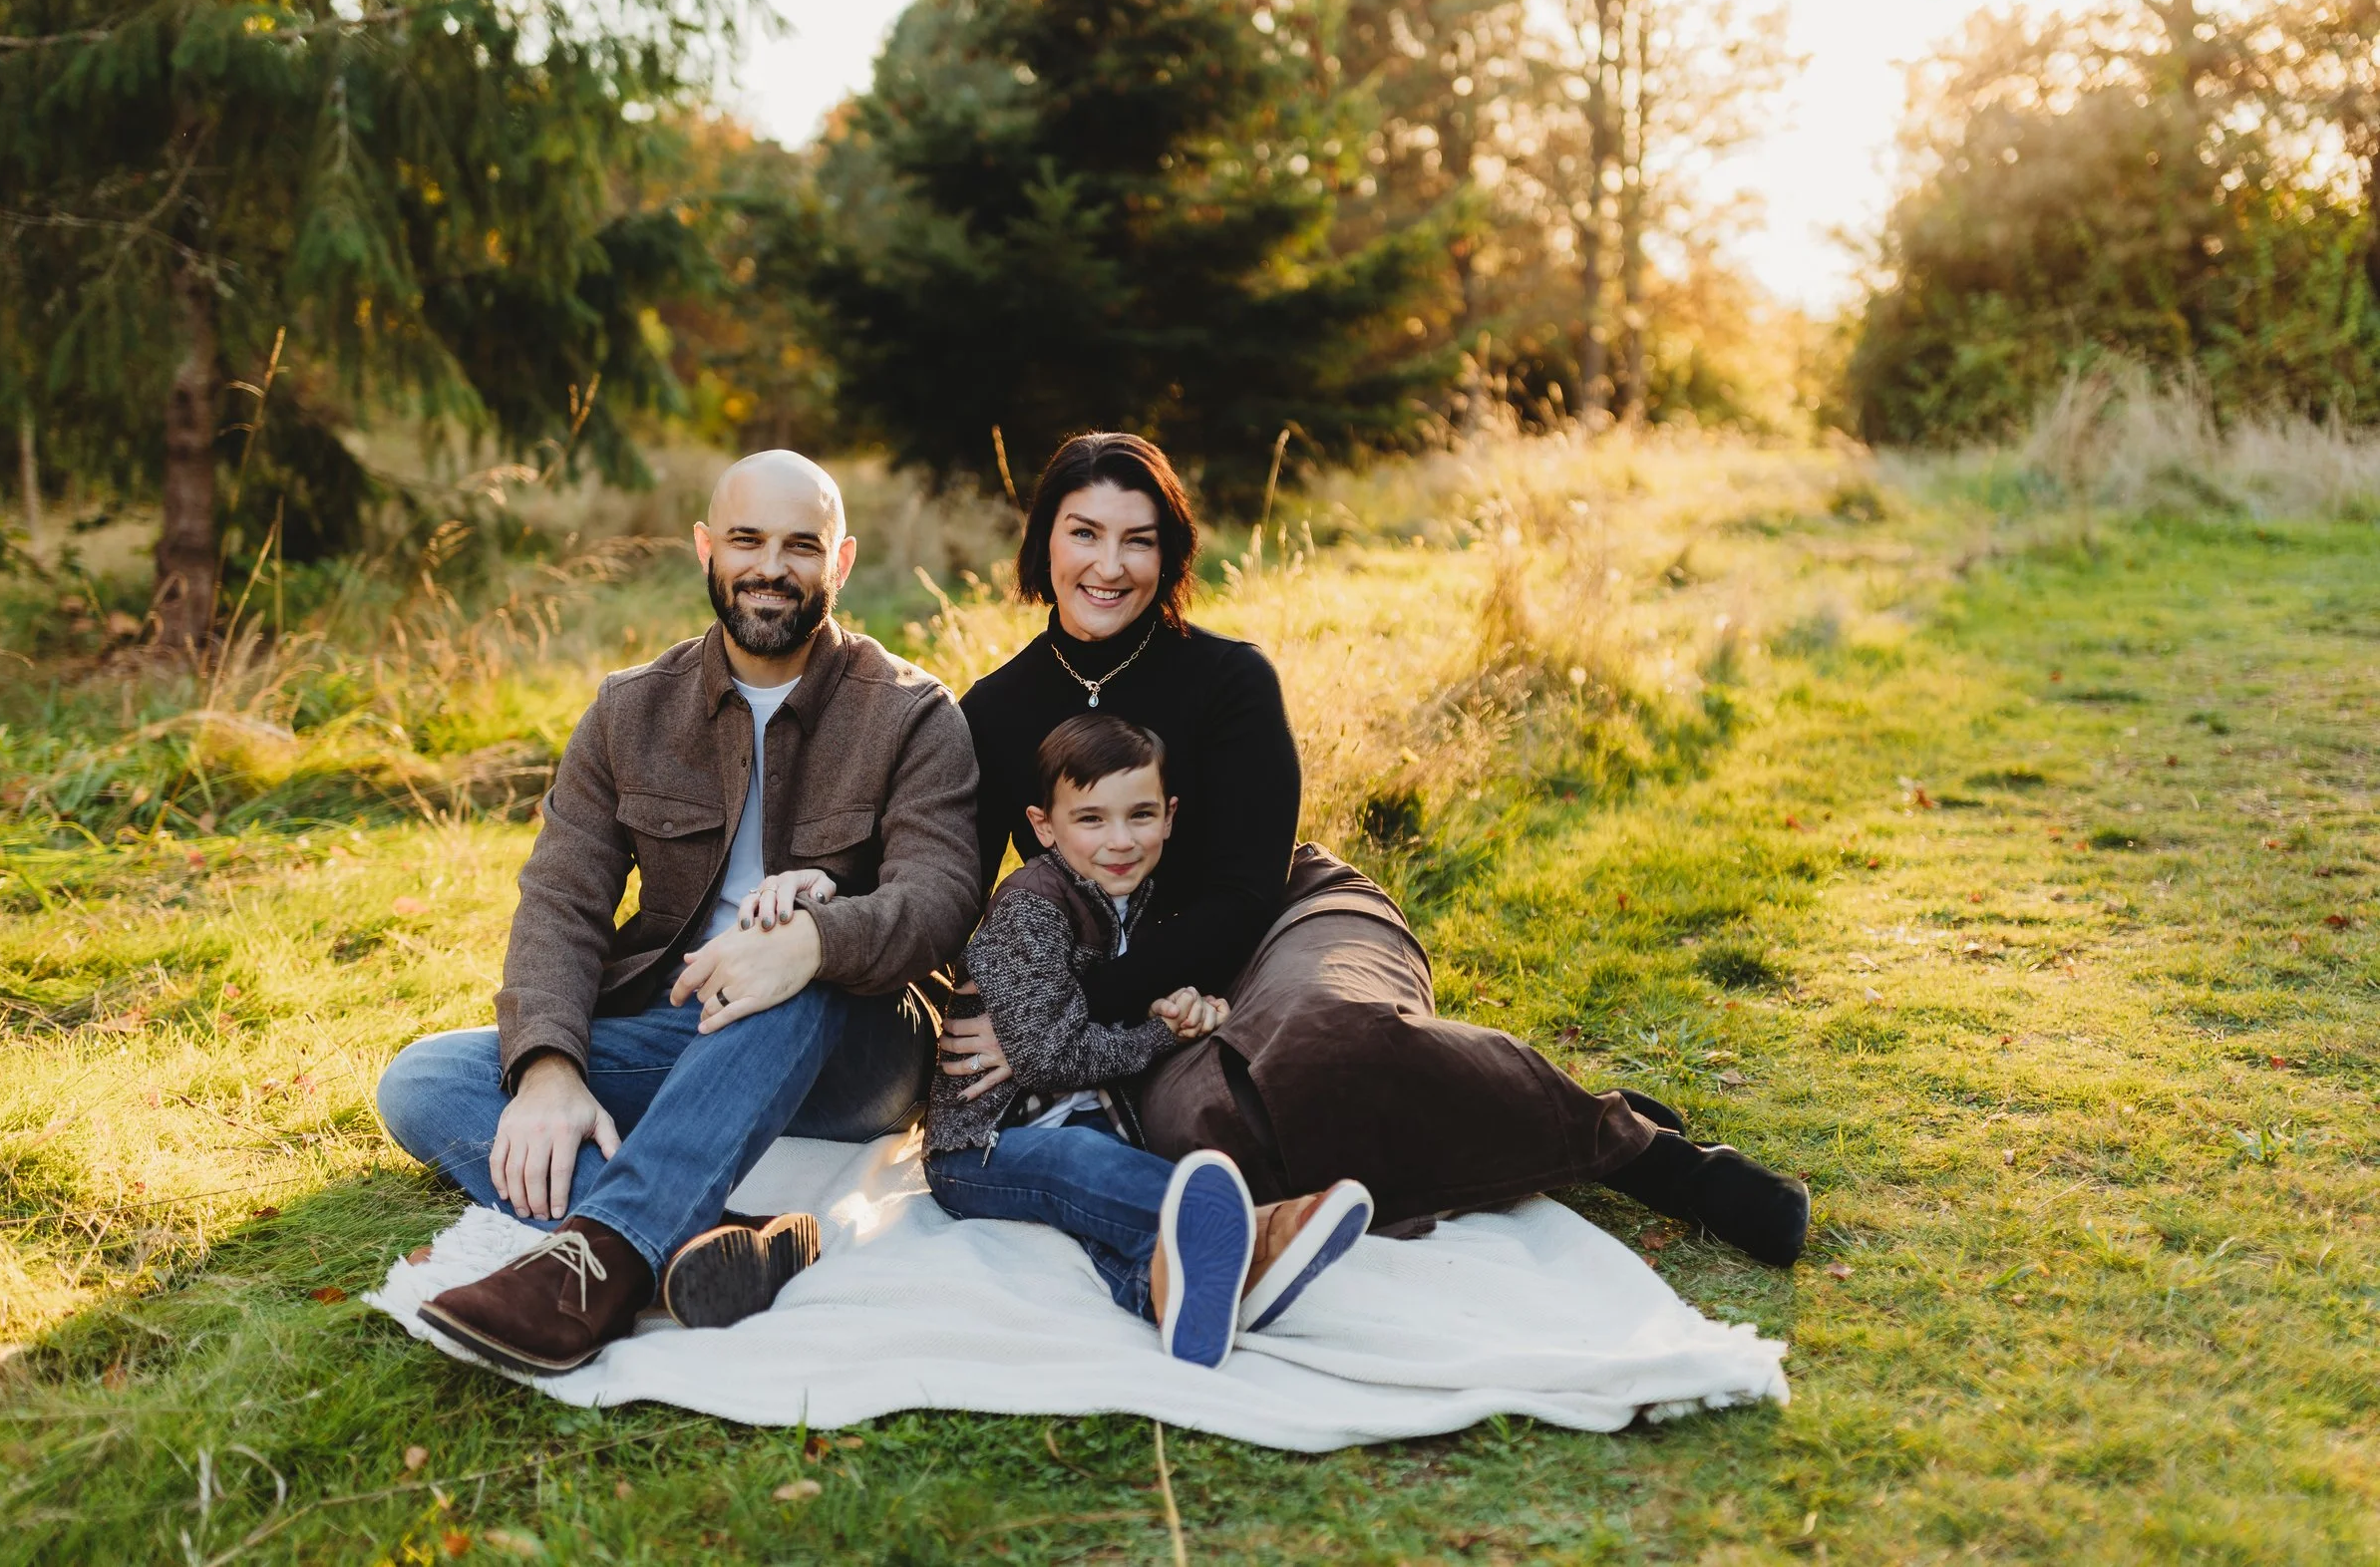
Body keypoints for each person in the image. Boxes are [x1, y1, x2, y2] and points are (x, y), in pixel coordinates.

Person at [942, 432, 1811, 1267]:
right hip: (1143, 990)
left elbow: (1244, 893)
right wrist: (997, 1018)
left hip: (1282, 921)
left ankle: (1646, 1156)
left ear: (1169, 553)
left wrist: (1063, 1007)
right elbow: (957, 894)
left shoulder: (1230, 680)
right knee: (1213, 1134)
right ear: (1043, 542)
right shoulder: (993, 711)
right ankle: (1526, 1108)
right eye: (1084, 533)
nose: (1109, 564)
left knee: (1330, 1039)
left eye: (1139, 539)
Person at [375, 451, 982, 1373]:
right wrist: (546, 1066)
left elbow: (938, 899)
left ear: (842, 562)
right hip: (680, 1027)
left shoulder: (911, 712)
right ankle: (701, 1246)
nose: (771, 567)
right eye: (746, 539)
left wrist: (820, 934)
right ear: (706, 547)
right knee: (424, 1080)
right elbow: (562, 901)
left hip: (854, 1046)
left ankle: (598, 1260)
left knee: (785, 954)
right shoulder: (629, 712)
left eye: (800, 546)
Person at [921, 713, 1374, 1367]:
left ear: (1169, 815)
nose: (1120, 840)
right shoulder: (1030, 908)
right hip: (981, 1148)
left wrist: (1185, 1005)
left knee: (1107, 1197)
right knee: (1079, 1161)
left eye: (1140, 815)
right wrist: (1158, 1033)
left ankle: (1169, 1299)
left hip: (1094, 1116)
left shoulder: (1145, 898)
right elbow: (1045, 1055)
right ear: (1044, 826)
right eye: (1091, 819)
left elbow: (1142, 989)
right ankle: (1261, 1232)